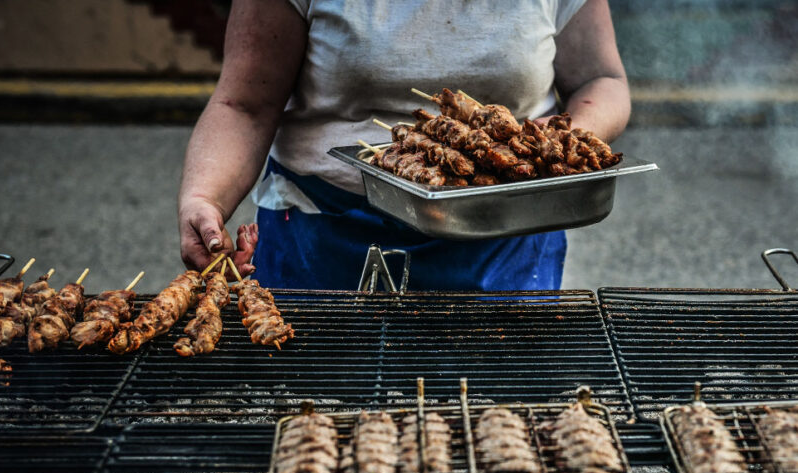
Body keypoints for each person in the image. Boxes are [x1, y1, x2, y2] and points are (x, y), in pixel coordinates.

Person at [178, 0, 630, 290]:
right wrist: (204, 198)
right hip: (324, 237)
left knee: (498, 421)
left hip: (506, 232)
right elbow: (245, 105)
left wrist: (558, 140)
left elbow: (602, 79)